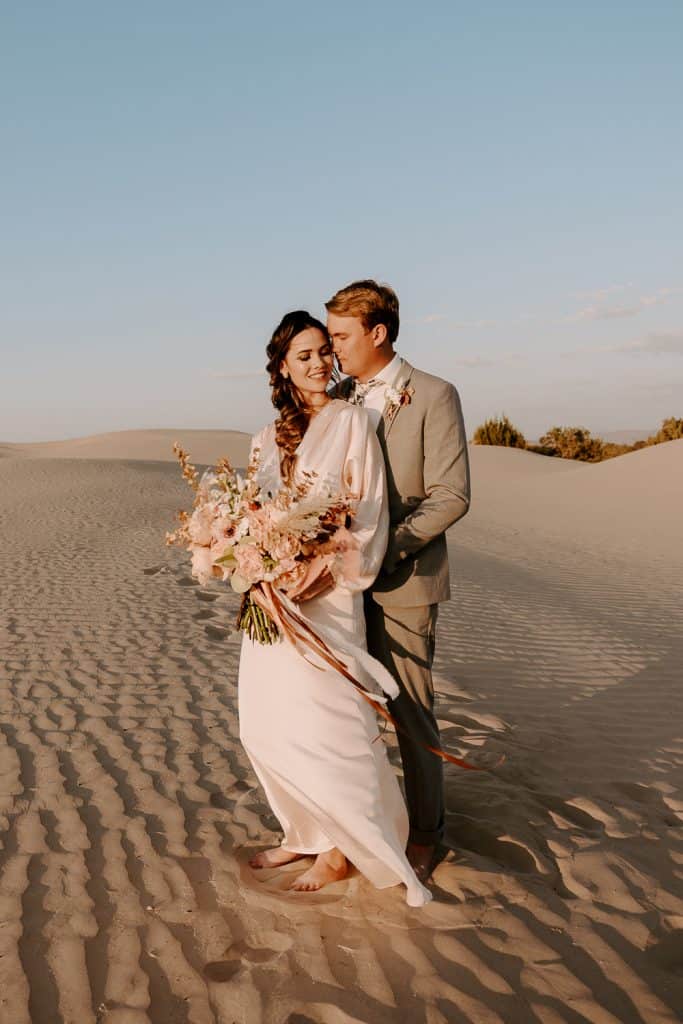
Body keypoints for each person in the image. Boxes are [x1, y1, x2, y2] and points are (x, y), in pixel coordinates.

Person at [237, 310, 431, 906]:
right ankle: (302, 830)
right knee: (265, 724)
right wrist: (248, 563)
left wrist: (328, 570)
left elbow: (368, 507)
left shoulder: (352, 421)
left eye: (325, 350)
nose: (320, 363)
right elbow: (252, 514)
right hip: (272, 600)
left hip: (327, 595)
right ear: (282, 368)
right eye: (305, 356)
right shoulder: (264, 438)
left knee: (327, 725)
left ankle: (339, 848)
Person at [326, 280, 471, 883]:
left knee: (410, 711)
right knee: (342, 713)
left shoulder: (435, 395)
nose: (333, 349)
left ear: (377, 332)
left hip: (404, 581)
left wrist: (387, 549)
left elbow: (452, 496)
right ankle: (356, 825)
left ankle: (428, 834)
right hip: (336, 587)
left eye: (341, 336)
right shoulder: (336, 396)